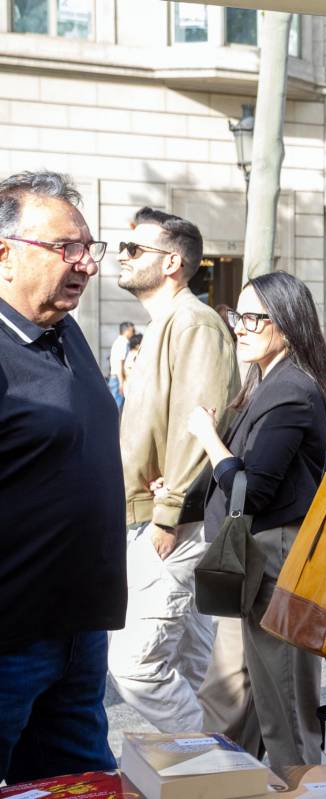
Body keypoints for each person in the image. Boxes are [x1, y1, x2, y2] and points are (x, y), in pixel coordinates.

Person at [0, 171, 125, 782]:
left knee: (79, 784)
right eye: (64, 248)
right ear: (4, 254)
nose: (85, 263)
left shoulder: (64, 329)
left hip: (79, 629)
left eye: (89, 248)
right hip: (10, 638)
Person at [184, 272, 326, 766]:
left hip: (278, 559)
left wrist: (207, 436)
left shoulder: (291, 390)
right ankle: (226, 778)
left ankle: (302, 785)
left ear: (287, 326)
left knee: (286, 707)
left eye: (253, 318)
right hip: (257, 555)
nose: (240, 328)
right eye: (237, 316)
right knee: (239, 693)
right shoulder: (267, 383)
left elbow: (253, 489)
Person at [107, 207, 240, 733]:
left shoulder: (194, 323)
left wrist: (168, 512)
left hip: (173, 521)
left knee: (135, 665)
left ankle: (211, 761)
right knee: (194, 662)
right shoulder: (169, 323)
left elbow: (197, 419)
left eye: (134, 248)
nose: (122, 254)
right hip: (164, 513)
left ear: (173, 263)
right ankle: (219, 767)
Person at [108, 321, 135, 410]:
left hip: (117, 378)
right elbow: (120, 364)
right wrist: (121, 382)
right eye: (132, 330)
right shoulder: (122, 343)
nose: (134, 332)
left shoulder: (120, 342)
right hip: (118, 378)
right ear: (127, 330)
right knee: (117, 407)